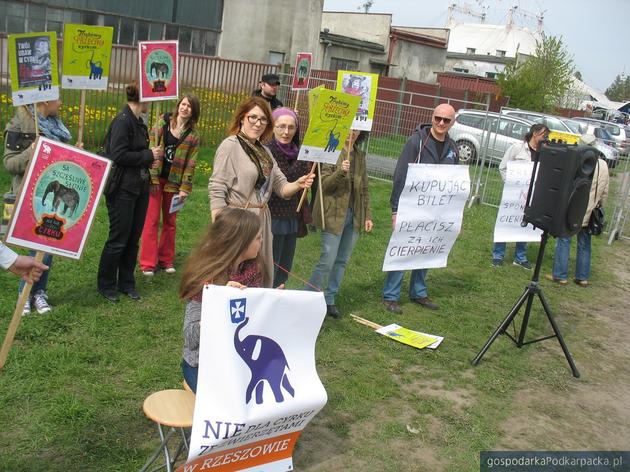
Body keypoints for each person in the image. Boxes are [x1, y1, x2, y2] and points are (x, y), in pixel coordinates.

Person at [209, 96, 314, 287]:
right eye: (253, 118)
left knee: (259, 273)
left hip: (262, 220)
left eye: (263, 119)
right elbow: (217, 187)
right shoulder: (230, 145)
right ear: (242, 118)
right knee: (235, 276)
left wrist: (299, 184)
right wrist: (220, 227)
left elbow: (282, 187)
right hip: (238, 220)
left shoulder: (265, 151)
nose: (258, 123)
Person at [382, 103, 459, 314]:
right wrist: (396, 210)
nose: (441, 123)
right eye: (438, 118)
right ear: (432, 117)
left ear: (453, 122)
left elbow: (455, 184)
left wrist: (454, 218)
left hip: (437, 212)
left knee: (426, 249)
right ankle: (391, 295)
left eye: (446, 120)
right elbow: (400, 175)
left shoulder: (453, 148)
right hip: (411, 208)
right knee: (404, 249)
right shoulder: (416, 142)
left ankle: (419, 292)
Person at [180, 208, 264, 393]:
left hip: (237, 360)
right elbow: (190, 337)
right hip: (201, 363)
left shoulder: (252, 270)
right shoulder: (206, 278)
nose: (262, 242)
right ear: (240, 243)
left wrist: (272, 302)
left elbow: (252, 321)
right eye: (258, 238)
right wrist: (220, 304)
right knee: (228, 402)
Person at [3, 99, 75, 315]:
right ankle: (24, 294)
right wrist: (31, 151)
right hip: (28, 195)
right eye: (58, 98)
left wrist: (76, 155)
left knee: (48, 244)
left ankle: (39, 292)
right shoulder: (18, 126)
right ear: (44, 101)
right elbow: (9, 164)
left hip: (53, 197)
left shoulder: (57, 128)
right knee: (34, 246)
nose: (61, 103)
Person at [97, 81, 161, 302]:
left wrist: (148, 160)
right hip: (121, 188)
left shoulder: (139, 122)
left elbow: (138, 154)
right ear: (141, 99)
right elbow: (118, 155)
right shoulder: (123, 122)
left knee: (133, 238)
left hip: (139, 187)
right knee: (118, 239)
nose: (150, 104)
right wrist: (147, 156)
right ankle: (106, 284)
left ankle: (126, 282)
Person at [306, 130, 373, 318]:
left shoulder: (359, 155)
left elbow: (365, 188)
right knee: (327, 259)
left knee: (342, 260)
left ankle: (329, 299)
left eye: (357, 128)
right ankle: (306, 296)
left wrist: (367, 215)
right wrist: (340, 172)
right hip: (333, 214)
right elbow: (324, 186)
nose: (353, 132)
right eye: (350, 127)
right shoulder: (331, 151)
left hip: (354, 215)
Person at [139, 94, 201, 276]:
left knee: (170, 222)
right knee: (151, 221)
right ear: (178, 105)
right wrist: (151, 172)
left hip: (174, 184)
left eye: (189, 106)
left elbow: (191, 163)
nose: (185, 108)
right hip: (156, 180)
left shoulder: (194, 135)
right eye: (183, 104)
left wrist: (185, 188)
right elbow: (150, 145)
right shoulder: (163, 122)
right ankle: (148, 263)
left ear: (193, 111)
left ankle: (166, 260)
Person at [547, 137, 609, 286]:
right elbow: (605, 191)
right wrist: (598, 205)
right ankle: (582, 277)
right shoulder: (603, 165)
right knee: (584, 244)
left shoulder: (577, 161)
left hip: (573, 209)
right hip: (590, 210)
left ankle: (560, 275)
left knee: (564, 239)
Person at [492, 123, 550, 270]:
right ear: (535, 134)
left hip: (531, 197)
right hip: (513, 196)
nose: (545, 138)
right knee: (506, 223)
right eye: (544, 135)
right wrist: (511, 184)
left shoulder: (544, 153)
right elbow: (503, 167)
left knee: (526, 224)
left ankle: (520, 257)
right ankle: (498, 256)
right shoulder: (517, 148)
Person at [268, 107, 309, 288]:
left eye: (291, 127)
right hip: (272, 217)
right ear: (273, 127)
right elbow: (285, 178)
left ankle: (277, 293)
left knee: (284, 267)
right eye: (281, 126)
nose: (286, 132)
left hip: (291, 216)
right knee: (271, 265)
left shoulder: (299, 152)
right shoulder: (267, 150)